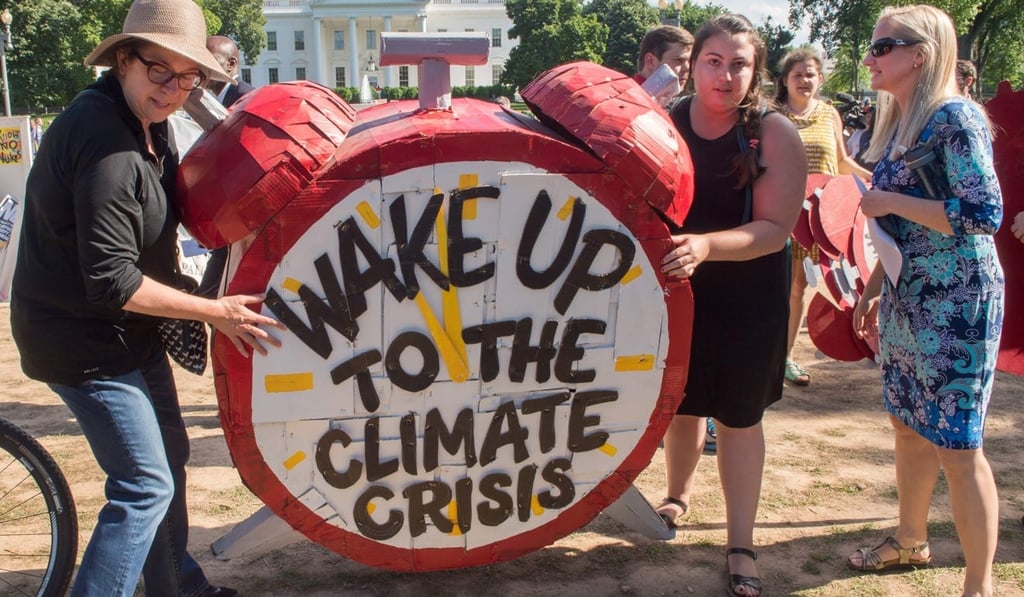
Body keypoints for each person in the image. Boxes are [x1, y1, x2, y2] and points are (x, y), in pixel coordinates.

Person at [9, 0, 285, 595]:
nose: (174, 88)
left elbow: (177, 213)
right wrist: (217, 312)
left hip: (126, 330)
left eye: (188, 76)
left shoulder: (147, 123)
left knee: (170, 457)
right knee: (143, 484)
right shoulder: (102, 136)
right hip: (80, 337)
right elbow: (111, 278)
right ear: (123, 60)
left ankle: (175, 585)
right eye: (160, 71)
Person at [848, 6, 1003, 597]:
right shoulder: (903, 123)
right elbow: (899, 228)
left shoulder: (955, 118)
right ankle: (910, 542)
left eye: (883, 46)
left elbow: (981, 215)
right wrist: (871, 289)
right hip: (909, 297)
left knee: (959, 446)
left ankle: (977, 585)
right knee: (908, 425)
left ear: (921, 54)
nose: (870, 57)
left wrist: (889, 202)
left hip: (957, 303)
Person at [657, 14, 807, 597]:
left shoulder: (774, 133)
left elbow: (775, 230)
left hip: (749, 295)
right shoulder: (664, 121)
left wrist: (705, 246)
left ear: (756, 70)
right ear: (694, 64)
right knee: (682, 404)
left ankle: (741, 544)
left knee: (740, 418)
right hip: (677, 288)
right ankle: (677, 497)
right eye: (713, 61)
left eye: (738, 63)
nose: (724, 75)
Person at [775, 48, 873, 387]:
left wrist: (872, 181)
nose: (805, 80)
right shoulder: (772, 116)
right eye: (798, 74)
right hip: (779, 213)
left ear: (820, 79)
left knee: (799, 287)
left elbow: (842, 161)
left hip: (817, 220)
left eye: (811, 74)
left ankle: (785, 357)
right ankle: (763, 355)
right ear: (785, 79)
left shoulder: (830, 114)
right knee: (772, 285)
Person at [195, 35, 257, 299]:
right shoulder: (203, 99)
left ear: (231, 65)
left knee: (211, 293)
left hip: (242, 215)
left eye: (210, 62)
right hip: (224, 214)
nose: (201, 69)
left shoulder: (246, 100)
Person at [633, 25, 694, 91]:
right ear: (650, 61)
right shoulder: (629, 98)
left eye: (689, 61)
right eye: (678, 60)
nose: (687, 68)